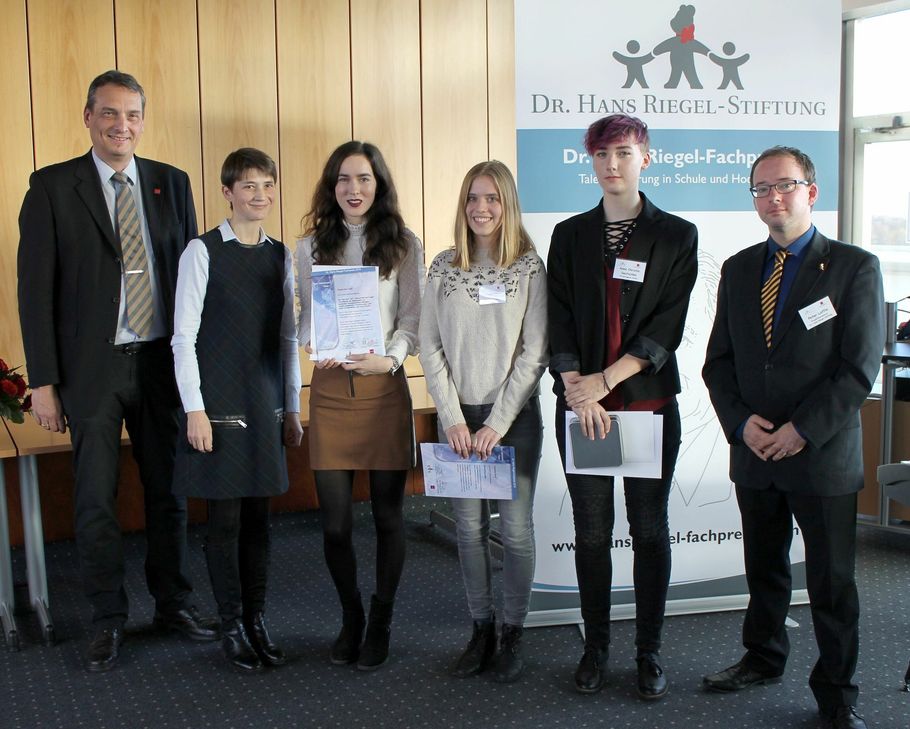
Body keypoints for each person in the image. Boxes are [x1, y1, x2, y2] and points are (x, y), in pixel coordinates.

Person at [16, 70, 216, 672]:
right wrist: (43, 382)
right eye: (108, 113)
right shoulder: (52, 187)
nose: (120, 125)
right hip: (91, 369)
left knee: (169, 490)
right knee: (95, 498)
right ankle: (107, 616)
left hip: (160, 363)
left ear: (142, 121)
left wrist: (198, 372)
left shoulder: (171, 183)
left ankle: (173, 603)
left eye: (131, 115)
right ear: (88, 117)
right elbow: (34, 292)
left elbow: (190, 282)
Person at [702, 146, 884, 729]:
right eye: (761, 188)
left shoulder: (854, 267)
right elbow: (718, 362)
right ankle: (762, 658)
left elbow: (858, 368)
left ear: (812, 191)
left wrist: (801, 430)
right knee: (764, 570)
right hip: (756, 452)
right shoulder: (738, 269)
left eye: (784, 185)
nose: (772, 197)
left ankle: (837, 693)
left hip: (821, 454)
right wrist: (740, 424)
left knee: (831, 583)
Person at [547, 114, 698, 700]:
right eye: (601, 154)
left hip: (645, 403)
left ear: (645, 159)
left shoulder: (677, 234)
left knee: (649, 530)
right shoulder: (570, 234)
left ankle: (648, 651)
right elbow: (558, 314)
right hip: (583, 405)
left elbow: (668, 325)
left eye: (624, 153)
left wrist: (605, 380)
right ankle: (595, 649)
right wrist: (574, 385)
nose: (612, 164)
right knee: (591, 533)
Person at [171, 148, 302, 671]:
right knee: (223, 524)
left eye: (267, 185)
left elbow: (288, 339)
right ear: (227, 193)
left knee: (259, 523)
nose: (260, 195)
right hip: (217, 405)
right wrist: (194, 410)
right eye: (248, 186)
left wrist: (292, 408)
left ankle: (256, 620)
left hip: (264, 401)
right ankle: (230, 627)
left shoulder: (280, 255)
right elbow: (183, 339)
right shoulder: (201, 252)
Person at [297, 141, 424, 671]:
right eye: (344, 179)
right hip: (330, 392)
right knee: (335, 525)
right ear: (332, 186)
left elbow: (413, 320)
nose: (354, 189)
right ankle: (351, 616)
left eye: (364, 179)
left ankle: (382, 619)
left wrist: (390, 358)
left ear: (379, 185)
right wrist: (313, 341)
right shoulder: (308, 247)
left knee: (389, 516)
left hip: (383, 389)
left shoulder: (404, 244)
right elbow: (303, 318)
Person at [419, 161, 547, 683]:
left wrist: (495, 422)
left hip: (512, 421)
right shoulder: (443, 266)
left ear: (507, 204)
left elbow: (535, 352)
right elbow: (429, 346)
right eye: (473, 197)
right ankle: (481, 629)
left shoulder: (528, 267)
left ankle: (513, 631)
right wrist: (452, 418)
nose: (481, 208)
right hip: (457, 422)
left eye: (492, 198)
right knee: (469, 531)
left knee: (514, 533)